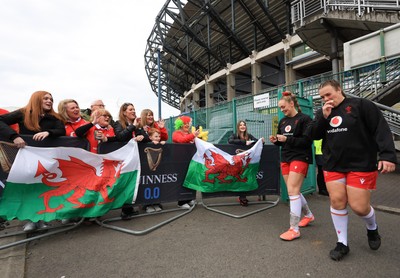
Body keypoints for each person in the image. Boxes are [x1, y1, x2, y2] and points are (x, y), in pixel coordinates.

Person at [309, 80, 397, 261]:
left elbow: (380, 128)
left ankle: (372, 229)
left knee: (359, 207)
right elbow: (313, 135)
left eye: (328, 94)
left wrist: (388, 155)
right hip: (333, 164)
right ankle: (342, 243)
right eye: (322, 97)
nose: (326, 99)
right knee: (337, 201)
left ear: (339, 89)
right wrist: (323, 118)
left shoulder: (361, 105)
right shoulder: (323, 112)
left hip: (361, 164)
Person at [0, 91, 65, 231]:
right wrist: (14, 136)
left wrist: (49, 132)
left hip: (47, 160)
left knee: (44, 188)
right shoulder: (23, 113)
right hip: (27, 158)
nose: (49, 101)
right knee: (29, 188)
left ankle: (43, 219)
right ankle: (30, 220)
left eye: (51, 99)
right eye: (46, 98)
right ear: (36, 99)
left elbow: (61, 130)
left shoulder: (55, 117)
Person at [269, 91, 315, 241]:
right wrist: (275, 140)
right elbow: (281, 140)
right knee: (292, 190)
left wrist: (286, 140)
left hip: (300, 156)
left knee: (292, 191)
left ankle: (294, 229)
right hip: (286, 157)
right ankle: (308, 215)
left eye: (284, 107)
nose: (282, 110)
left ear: (291, 103)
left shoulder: (305, 119)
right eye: (280, 108)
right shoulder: (282, 122)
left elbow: (306, 142)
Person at [113, 103, 143, 219]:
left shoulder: (137, 123)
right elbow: (120, 137)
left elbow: (145, 137)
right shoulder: (118, 123)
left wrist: (140, 135)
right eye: (131, 109)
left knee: (133, 182)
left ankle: (128, 209)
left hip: (135, 158)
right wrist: (133, 127)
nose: (134, 111)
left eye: (134, 109)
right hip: (124, 159)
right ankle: (124, 210)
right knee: (124, 182)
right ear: (124, 112)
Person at [228, 120, 259, 206]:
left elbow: (256, 141)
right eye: (241, 125)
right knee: (239, 177)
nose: (242, 126)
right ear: (238, 127)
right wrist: (244, 142)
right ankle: (242, 197)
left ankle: (243, 196)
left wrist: (261, 141)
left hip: (247, 161)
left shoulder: (249, 135)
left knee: (245, 177)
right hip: (237, 161)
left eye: (244, 125)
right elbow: (230, 140)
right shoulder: (235, 135)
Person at [172, 115, 199, 208]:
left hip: (190, 160)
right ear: (180, 124)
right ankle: (181, 202)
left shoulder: (190, 134)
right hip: (180, 161)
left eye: (188, 123)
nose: (187, 125)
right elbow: (181, 140)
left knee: (190, 179)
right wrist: (193, 135)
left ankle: (189, 198)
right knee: (182, 180)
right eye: (185, 123)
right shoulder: (176, 133)